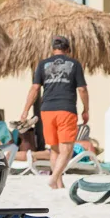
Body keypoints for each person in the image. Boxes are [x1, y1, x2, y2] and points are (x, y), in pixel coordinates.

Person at [20, 35, 89, 190]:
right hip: (66, 109)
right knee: (67, 149)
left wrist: (25, 111)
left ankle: (58, 184)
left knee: (55, 149)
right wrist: (86, 109)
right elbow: (82, 89)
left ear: (53, 49)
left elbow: (35, 88)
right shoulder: (74, 64)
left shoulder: (43, 64)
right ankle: (54, 178)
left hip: (47, 110)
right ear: (68, 49)